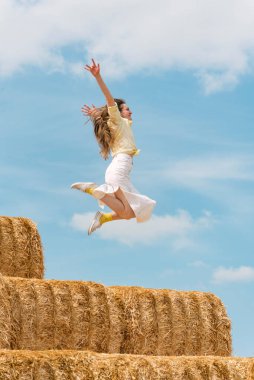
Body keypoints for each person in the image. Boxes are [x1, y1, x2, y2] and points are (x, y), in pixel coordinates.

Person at [71, 59, 156, 235]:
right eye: (126, 109)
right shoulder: (117, 120)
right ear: (118, 112)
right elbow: (109, 99)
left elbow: (106, 116)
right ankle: (92, 189)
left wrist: (96, 114)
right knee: (132, 211)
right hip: (119, 167)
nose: (130, 112)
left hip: (121, 168)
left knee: (131, 212)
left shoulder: (120, 125)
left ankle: (103, 218)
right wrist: (98, 77)